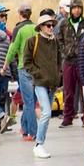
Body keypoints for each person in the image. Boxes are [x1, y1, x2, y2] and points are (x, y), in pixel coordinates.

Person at [25, 12, 60, 158]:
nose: (51, 27)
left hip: (52, 83)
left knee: (48, 112)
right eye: (48, 25)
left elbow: (59, 60)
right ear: (41, 27)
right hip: (40, 82)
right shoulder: (32, 41)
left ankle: (40, 144)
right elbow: (26, 62)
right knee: (46, 112)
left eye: (52, 25)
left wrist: (59, 76)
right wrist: (38, 73)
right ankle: (39, 144)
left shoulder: (55, 41)